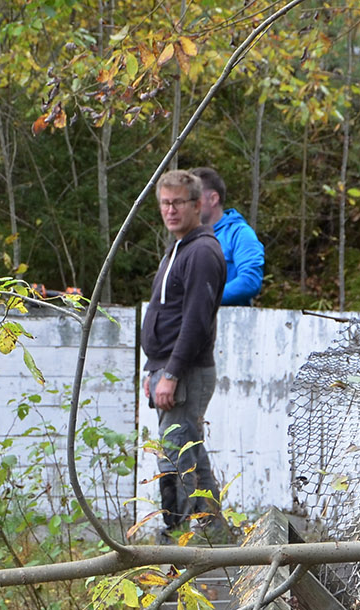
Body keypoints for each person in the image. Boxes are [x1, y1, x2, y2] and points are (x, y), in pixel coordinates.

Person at [142, 168, 227, 540]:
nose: (171, 210)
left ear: (197, 205)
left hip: (187, 372)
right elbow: (166, 315)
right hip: (169, 369)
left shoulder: (202, 252)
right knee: (190, 448)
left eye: (178, 203)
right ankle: (216, 534)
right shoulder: (178, 250)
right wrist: (154, 369)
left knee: (174, 455)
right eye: (165, 203)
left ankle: (175, 537)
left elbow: (195, 320)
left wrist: (172, 373)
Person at [193, 166, 265, 306]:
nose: (189, 204)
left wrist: (204, 301)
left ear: (213, 199)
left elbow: (250, 281)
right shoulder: (188, 237)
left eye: (195, 197)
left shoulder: (240, 234)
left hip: (230, 323)